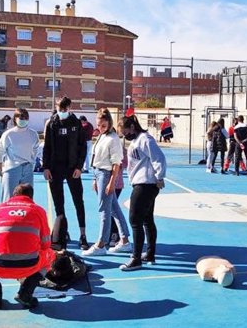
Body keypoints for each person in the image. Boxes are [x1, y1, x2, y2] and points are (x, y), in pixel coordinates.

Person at [0, 183, 54, 310]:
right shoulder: (38, 211)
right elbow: (46, 244)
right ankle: (26, 292)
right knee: (50, 254)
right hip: (29, 265)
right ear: (31, 198)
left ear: (13, 195)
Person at [119, 115, 167, 271]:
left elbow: (158, 158)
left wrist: (159, 177)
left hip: (146, 183)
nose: (124, 135)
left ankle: (136, 258)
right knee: (147, 219)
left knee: (135, 220)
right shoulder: (135, 141)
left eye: (125, 132)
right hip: (140, 182)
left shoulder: (145, 139)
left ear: (132, 127)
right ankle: (150, 254)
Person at [82, 108, 132, 256]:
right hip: (98, 173)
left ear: (109, 123)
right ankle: (125, 241)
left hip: (106, 174)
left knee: (104, 209)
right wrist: (94, 178)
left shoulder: (113, 138)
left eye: (103, 125)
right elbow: (96, 158)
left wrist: (111, 182)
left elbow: (117, 163)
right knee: (114, 209)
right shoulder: (102, 136)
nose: (100, 128)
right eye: (98, 125)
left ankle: (101, 244)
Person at [43, 97, 89, 251]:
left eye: (65, 109)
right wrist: (46, 167)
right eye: (59, 109)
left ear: (70, 107)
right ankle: (63, 231)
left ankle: (83, 235)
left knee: (78, 201)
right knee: (59, 203)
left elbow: (82, 147)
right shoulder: (52, 123)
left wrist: (79, 167)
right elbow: (47, 147)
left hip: (72, 168)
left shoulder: (76, 123)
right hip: (55, 168)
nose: (62, 112)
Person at [0, 108, 39, 202]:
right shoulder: (8, 134)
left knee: (27, 200)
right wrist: (0, 171)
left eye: (26, 118)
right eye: (21, 118)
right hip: (12, 169)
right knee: (8, 199)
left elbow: (35, 149)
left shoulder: (33, 134)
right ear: (15, 119)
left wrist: (32, 163)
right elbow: (0, 151)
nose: (23, 120)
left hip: (27, 169)